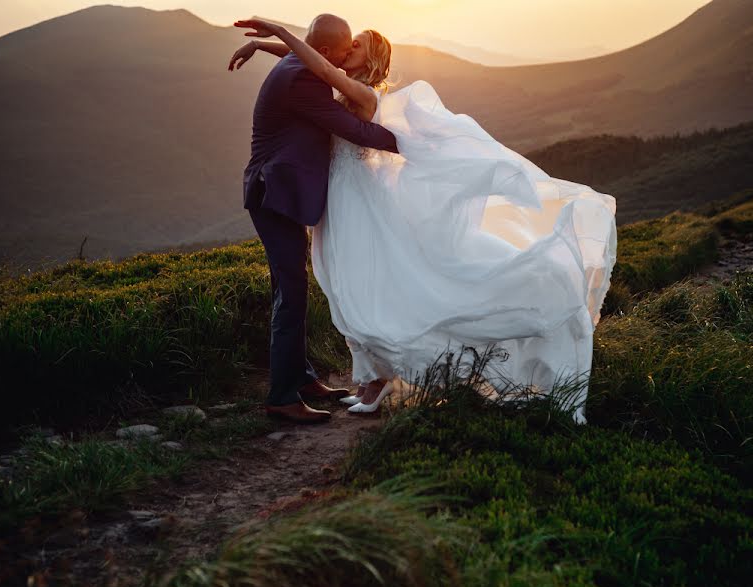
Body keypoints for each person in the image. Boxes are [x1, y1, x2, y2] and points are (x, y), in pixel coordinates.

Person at [230, 18, 617, 424]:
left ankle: (300, 387)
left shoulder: (352, 88)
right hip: (312, 196)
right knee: (312, 286)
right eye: (345, 46)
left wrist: (274, 32)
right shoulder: (309, 70)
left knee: (332, 285)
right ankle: (315, 382)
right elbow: (314, 59)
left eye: (355, 47)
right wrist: (269, 46)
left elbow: (325, 69)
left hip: (352, 199)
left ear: (366, 58)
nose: (347, 53)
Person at [234, 14, 399, 424]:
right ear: (326, 52)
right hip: (274, 194)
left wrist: (263, 43)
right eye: (346, 47)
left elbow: (306, 53)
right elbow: (353, 130)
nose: (346, 55)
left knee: (291, 287)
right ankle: (282, 397)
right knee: (290, 293)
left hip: (278, 192)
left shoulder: (297, 63)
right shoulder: (305, 79)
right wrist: (403, 141)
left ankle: (303, 378)